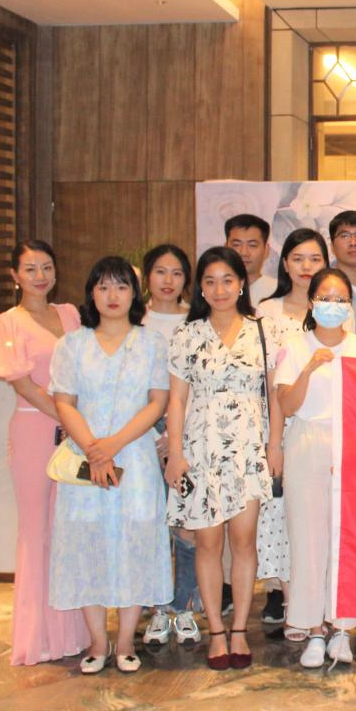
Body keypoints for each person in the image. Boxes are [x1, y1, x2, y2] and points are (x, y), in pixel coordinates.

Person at [49, 257, 172, 675]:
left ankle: (126, 641)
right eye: (103, 287)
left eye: (121, 287)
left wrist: (114, 445)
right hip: (85, 461)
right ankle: (98, 642)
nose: (112, 295)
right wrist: (92, 448)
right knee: (87, 545)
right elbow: (64, 402)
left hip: (134, 458)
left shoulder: (152, 343)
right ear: (91, 294)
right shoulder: (72, 344)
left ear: (134, 294)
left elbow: (157, 401)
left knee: (135, 542)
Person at [164, 247, 285, 671]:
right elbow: (176, 400)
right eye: (210, 281)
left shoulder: (263, 330)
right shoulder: (187, 334)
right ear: (200, 287)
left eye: (228, 280)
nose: (219, 289)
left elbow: (274, 395)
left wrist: (275, 446)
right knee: (208, 544)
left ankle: (239, 630)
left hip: (248, 450)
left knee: (244, 542)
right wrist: (175, 453)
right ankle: (216, 630)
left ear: (241, 284)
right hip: (202, 451)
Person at [0, 240, 90, 665]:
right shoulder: (7, 323)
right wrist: (66, 416)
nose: (40, 276)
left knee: (68, 528)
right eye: (30, 269)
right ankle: (37, 637)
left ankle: (74, 632)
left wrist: (79, 423)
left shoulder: (69, 315)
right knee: (35, 530)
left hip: (74, 430)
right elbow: (23, 384)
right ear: (15, 275)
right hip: (35, 427)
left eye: (46, 267)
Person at [274, 268, 356, 668]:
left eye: (340, 300)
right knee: (308, 539)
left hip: (352, 445)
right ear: (311, 302)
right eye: (325, 298)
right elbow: (287, 406)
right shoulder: (294, 346)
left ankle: (342, 629)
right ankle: (313, 629)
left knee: (347, 540)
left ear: (349, 305)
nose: (332, 306)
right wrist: (309, 369)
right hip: (307, 442)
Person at [255, 228, 333, 629]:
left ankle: (321, 606)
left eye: (315, 259)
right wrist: (274, 442)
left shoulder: (335, 308)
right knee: (281, 520)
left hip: (323, 429)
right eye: (298, 258)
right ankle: (290, 603)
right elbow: (271, 383)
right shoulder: (267, 311)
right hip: (280, 424)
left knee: (319, 523)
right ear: (284, 263)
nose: (306, 266)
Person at [139, 244, 203, 647]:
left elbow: (199, 384)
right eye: (160, 272)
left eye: (177, 273)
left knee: (186, 527)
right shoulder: (136, 321)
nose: (168, 280)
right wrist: (152, 433)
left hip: (187, 436)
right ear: (147, 276)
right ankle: (157, 607)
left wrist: (175, 437)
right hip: (140, 437)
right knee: (151, 526)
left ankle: (184, 607)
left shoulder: (196, 321)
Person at [225, 214, 276, 307]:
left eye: (252, 245)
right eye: (236, 245)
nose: (244, 253)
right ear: (226, 248)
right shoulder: (215, 291)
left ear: (266, 250)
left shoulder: (278, 292)